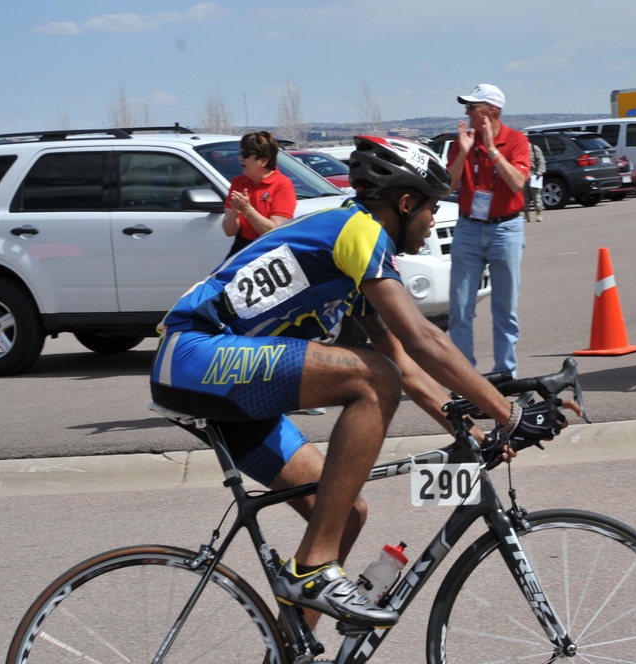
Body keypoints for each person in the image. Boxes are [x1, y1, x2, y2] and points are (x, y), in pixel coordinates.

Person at [149, 135, 569, 630]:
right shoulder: (359, 230)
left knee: (345, 512)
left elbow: (409, 369)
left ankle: (292, 647)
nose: (433, 221)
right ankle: (314, 569)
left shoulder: (354, 255)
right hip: (194, 355)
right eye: (431, 209)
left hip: (221, 379)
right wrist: (509, 413)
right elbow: (421, 341)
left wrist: (473, 434)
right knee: (371, 380)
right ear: (406, 203)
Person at [447, 83, 531, 375]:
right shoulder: (462, 141)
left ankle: (505, 373)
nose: (467, 112)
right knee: (459, 309)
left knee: (504, 310)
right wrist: (463, 153)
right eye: (467, 107)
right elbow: (449, 184)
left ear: (491, 110)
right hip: (468, 229)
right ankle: (464, 375)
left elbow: (517, 182)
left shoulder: (517, 140)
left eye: (472, 106)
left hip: (505, 230)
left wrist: (493, 150)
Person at [222, 131, 296, 257]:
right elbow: (229, 231)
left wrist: (247, 210)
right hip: (243, 247)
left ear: (264, 160)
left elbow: (274, 233)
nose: (241, 158)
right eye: (241, 153)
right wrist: (235, 212)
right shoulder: (238, 183)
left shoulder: (282, 185)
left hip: (270, 250)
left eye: (246, 154)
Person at [525, 140, 546, 223]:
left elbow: (541, 160)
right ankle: (526, 215)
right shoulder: (518, 148)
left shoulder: (534, 148)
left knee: (536, 196)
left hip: (534, 175)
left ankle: (539, 214)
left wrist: (539, 172)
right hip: (523, 175)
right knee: (524, 197)